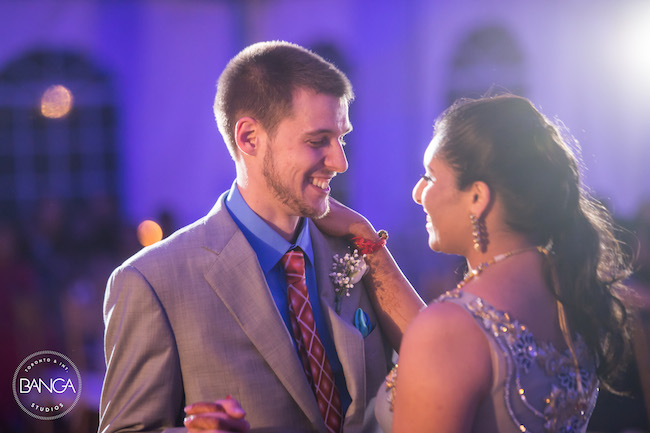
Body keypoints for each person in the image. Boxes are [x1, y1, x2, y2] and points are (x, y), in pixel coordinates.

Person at [98, 41, 423, 433]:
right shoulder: (152, 281)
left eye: (342, 138)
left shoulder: (358, 251)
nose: (340, 162)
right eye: (318, 140)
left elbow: (434, 363)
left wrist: (366, 239)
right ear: (249, 138)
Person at [314, 94, 632, 432]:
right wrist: (367, 241)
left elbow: (449, 341)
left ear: (478, 197)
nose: (418, 192)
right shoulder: (570, 293)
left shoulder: (452, 328)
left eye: (430, 177)